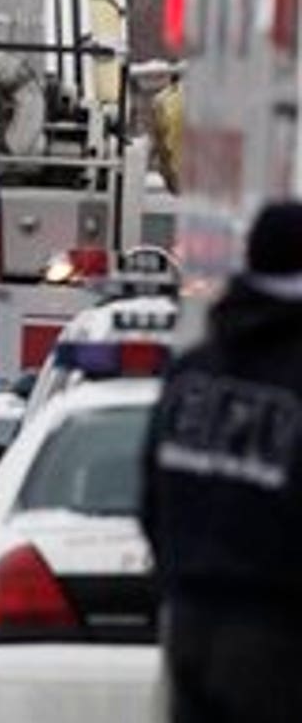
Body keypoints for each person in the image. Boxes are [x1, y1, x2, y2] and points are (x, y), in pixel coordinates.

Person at [144, 202, 302, 723]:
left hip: (189, 619)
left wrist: (178, 578)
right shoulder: (292, 382)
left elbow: (150, 496)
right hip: (275, 630)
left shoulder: (190, 374)